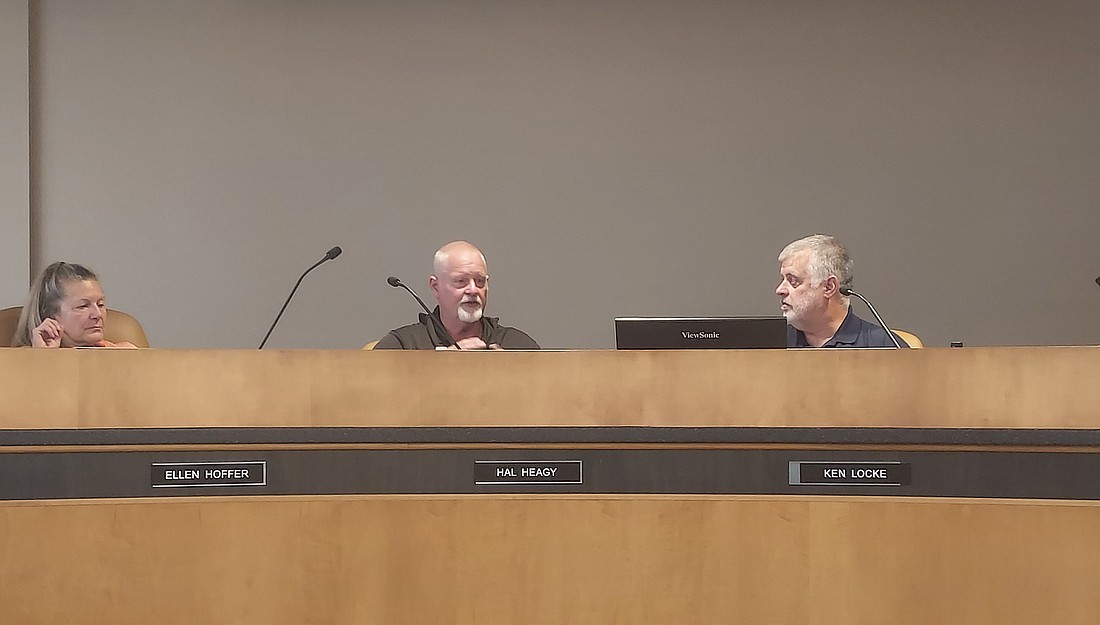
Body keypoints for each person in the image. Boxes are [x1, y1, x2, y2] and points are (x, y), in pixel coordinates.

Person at [376, 241, 539, 350]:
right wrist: (445, 368)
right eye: (461, 281)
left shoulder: (517, 345)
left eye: (480, 281)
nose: (473, 290)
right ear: (435, 287)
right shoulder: (403, 346)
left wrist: (512, 371)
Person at [775, 235, 908, 348]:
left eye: (793, 281)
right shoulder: (770, 344)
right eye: (783, 279)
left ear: (829, 287)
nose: (780, 290)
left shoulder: (884, 346)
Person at [12, 261, 137, 348]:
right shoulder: (21, 361)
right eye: (83, 306)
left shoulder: (123, 351)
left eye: (100, 304)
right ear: (50, 314)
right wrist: (44, 358)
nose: (97, 314)